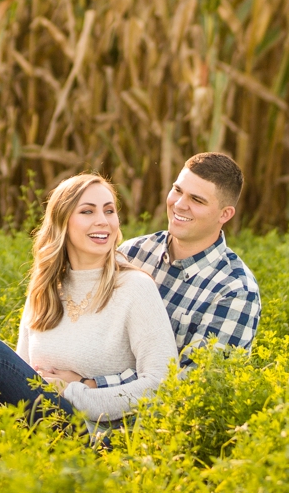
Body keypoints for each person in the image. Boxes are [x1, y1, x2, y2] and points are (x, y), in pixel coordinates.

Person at [0, 172, 176, 426]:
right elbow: (21, 373)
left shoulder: (134, 287)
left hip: (95, 435)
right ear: (63, 222)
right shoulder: (46, 287)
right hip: (38, 428)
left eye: (109, 211)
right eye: (87, 212)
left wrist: (73, 391)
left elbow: (161, 384)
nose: (103, 221)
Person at [79, 152, 262, 395]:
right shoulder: (132, 253)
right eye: (178, 190)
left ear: (225, 214)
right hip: (75, 394)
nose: (179, 204)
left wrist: (90, 385)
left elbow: (195, 384)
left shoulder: (235, 291)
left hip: (144, 423)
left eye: (197, 200)